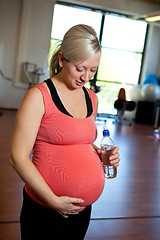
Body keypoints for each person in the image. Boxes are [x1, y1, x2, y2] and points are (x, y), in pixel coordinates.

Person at [9, 24, 120, 240]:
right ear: (62, 59)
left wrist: (102, 156)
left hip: (82, 210)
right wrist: (52, 200)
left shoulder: (91, 98)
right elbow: (17, 157)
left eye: (93, 70)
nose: (85, 77)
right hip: (45, 208)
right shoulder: (38, 96)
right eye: (80, 68)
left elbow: (80, 141)